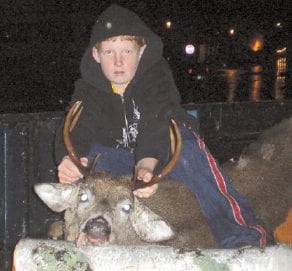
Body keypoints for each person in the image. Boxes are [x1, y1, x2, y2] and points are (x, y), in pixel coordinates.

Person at [55, 4, 266, 248]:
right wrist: (69, 158)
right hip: (118, 153)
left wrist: (147, 163)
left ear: (142, 51)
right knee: (85, 168)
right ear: (96, 54)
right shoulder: (88, 87)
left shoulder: (156, 76)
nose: (118, 61)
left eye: (127, 51)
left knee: (190, 156)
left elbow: (157, 120)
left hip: (166, 142)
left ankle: (243, 236)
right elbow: (75, 125)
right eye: (109, 52)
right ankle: (82, 233)